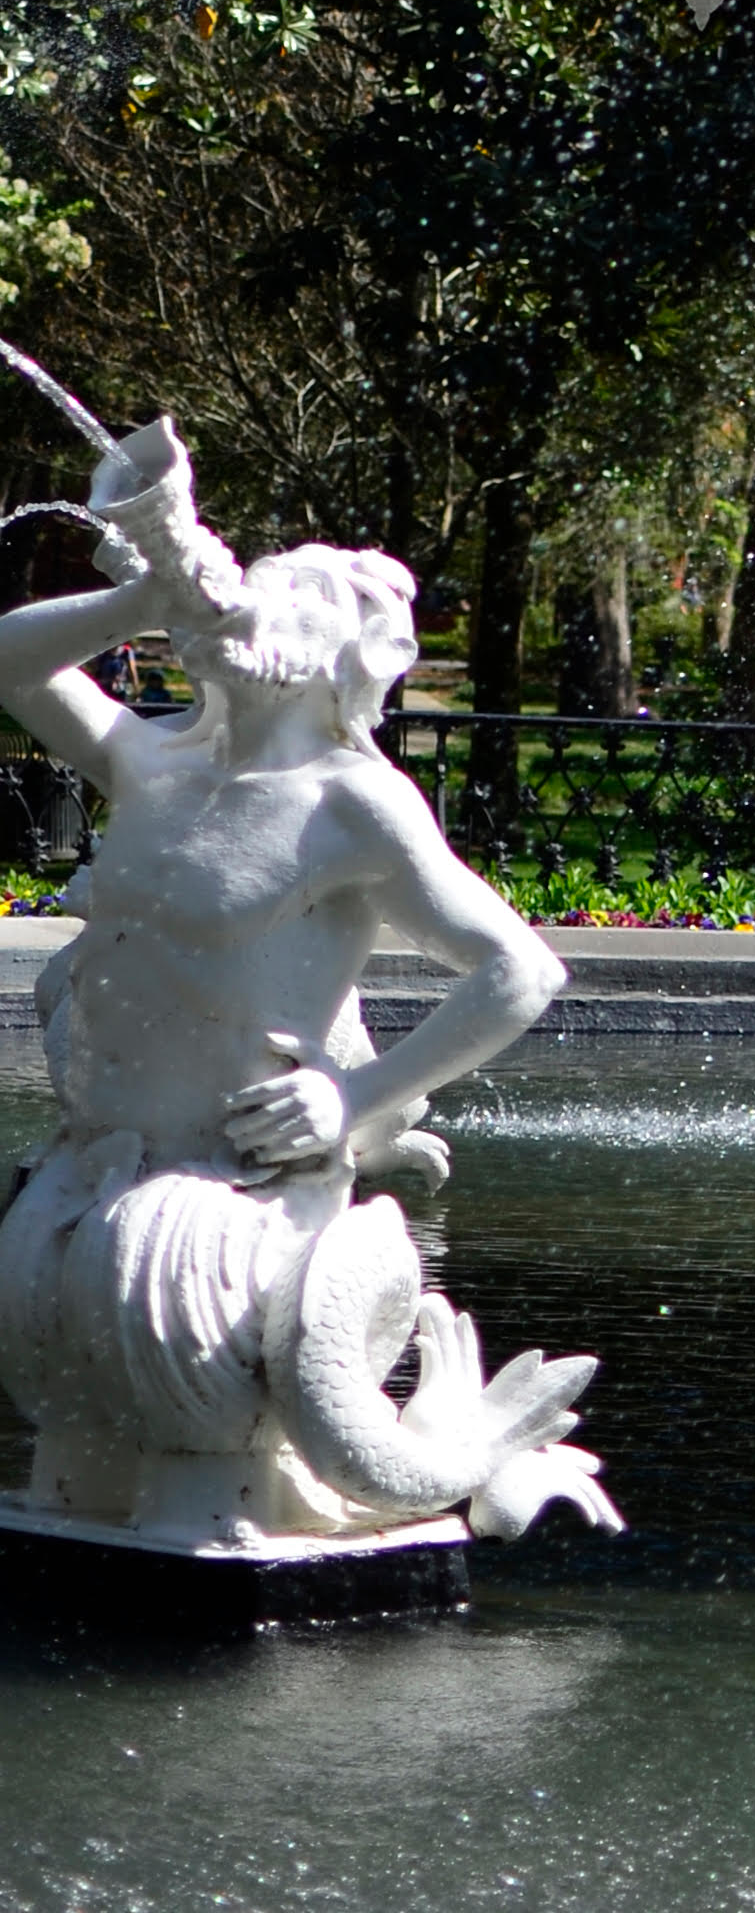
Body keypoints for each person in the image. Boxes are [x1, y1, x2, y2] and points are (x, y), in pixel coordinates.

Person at [0, 412, 616, 1542]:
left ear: (342, 653)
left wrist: (354, 1100)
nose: (254, 598)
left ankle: (364, 1480)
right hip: (89, 1172)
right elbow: (4, 657)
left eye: (296, 594)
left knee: (200, 1469)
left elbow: (520, 968)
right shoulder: (148, 758)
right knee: (65, 1476)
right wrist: (140, 599)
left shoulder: (351, 800)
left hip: (223, 1210)